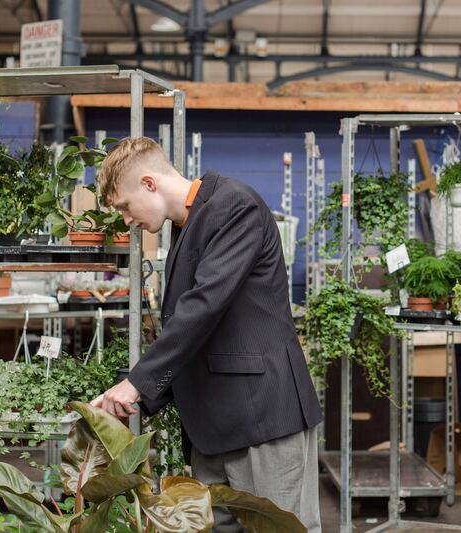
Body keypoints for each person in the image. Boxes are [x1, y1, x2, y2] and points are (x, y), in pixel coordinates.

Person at [91, 137, 323, 532]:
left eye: (125, 207)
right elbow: (200, 330)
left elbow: (204, 306)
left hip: (262, 418)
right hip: (213, 429)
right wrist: (134, 399)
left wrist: (137, 384)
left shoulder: (234, 206)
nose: (126, 220)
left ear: (149, 183)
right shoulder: (188, 224)